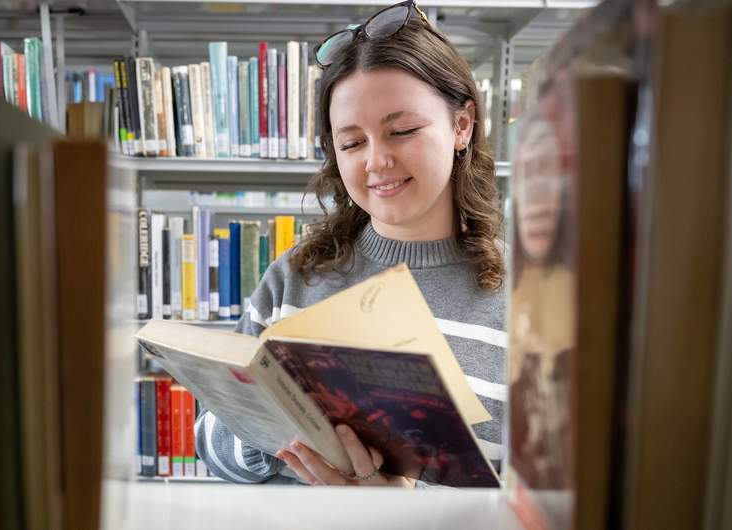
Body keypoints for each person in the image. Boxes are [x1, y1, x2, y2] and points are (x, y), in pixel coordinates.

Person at [195, 0, 506, 487]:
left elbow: (560, 486)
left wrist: (412, 500)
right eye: (352, 143)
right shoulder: (295, 276)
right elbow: (210, 444)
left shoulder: (529, 295)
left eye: (401, 131)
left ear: (462, 125)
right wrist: (297, 431)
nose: (376, 162)